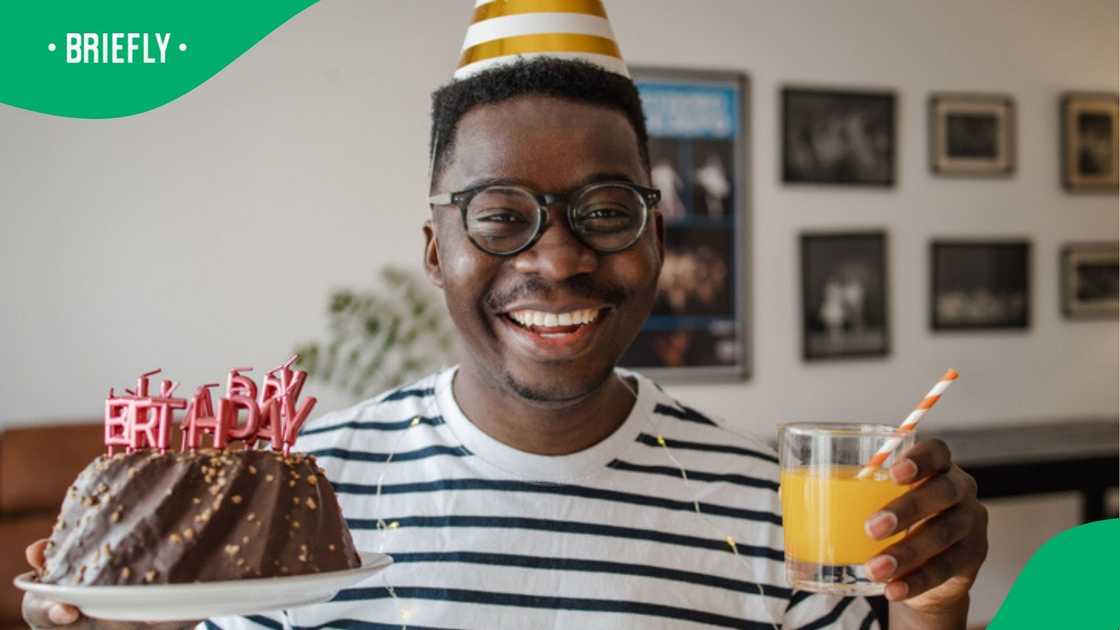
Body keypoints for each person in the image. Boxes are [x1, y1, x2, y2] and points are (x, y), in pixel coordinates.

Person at [22, 4, 988, 629]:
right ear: (437, 248)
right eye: (500, 216)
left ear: (659, 238)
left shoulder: (778, 509)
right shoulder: (301, 507)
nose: (558, 258)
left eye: (607, 212)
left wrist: (934, 603)